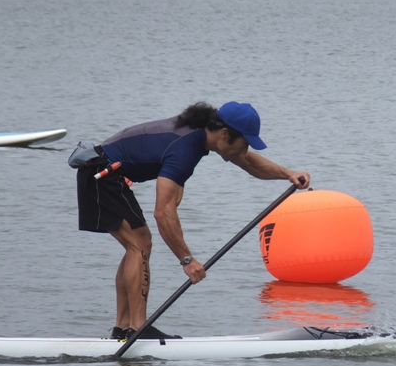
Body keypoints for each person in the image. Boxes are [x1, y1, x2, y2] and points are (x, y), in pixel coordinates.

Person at [74, 101, 311, 340]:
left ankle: (124, 328)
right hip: (101, 173)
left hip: (102, 171)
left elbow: (248, 162)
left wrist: (288, 174)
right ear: (224, 134)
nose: (245, 150)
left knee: (137, 245)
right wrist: (187, 260)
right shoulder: (184, 148)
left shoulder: (199, 136)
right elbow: (163, 212)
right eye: (245, 143)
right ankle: (136, 328)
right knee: (140, 244)